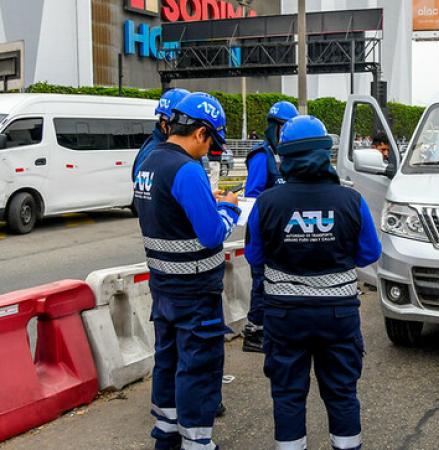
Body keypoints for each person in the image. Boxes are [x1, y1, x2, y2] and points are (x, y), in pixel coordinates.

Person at [244, 115, 381, 450]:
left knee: (288, 393)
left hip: (285, 317)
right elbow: (369, 254)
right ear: (325, 152)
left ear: (284, 156)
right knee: (342, 391)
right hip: (338, 315)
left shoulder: (267, 203)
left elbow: (254, 257)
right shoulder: (351, 200)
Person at [133, 92, 239, 450]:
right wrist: (229, 210)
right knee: (199, 367)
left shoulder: (148, 162)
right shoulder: (186, 169)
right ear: (200, 133)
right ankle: (198, 443)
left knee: (168, 360)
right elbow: (210, 235)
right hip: (196, 292)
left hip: (163, 288)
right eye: (211, 143)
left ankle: (166, 433)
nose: (209, 151)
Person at [242, 100, 298, 353]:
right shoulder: (261, 156)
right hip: (263, 230)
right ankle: (254, 332)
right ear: (274, 127)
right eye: (283, 127)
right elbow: (252, 195)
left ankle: (276, 328)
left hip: (285, 232)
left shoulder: (288, 156)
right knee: (261, 281)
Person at [132, 88, 189, 181]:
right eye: (180, 126)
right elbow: (145, 192)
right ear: (164, 125)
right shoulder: (152, 153)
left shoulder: (173, 148)